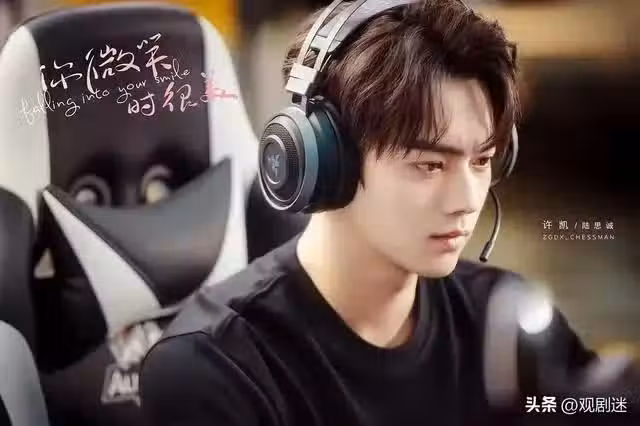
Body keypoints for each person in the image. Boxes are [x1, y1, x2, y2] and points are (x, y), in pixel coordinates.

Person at [140, 1, 636, 425]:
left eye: (482, 161)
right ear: (325, 159)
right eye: (429, 165)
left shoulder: (503, 319)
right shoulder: (216, 369)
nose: (466, 199)